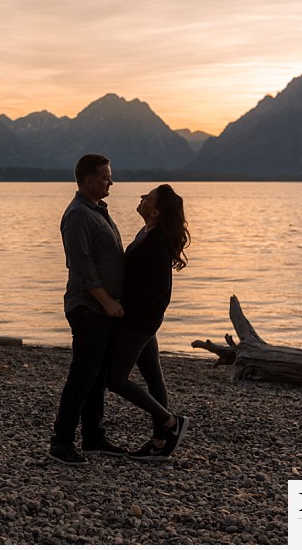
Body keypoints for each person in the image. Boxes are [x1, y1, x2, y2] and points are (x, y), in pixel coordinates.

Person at [49, 154, 127, 466]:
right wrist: (107, 301)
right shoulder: (79, 214)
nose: (111, 182)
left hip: (100, 309)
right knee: (82, 375)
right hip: (86, 307)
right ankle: (61, 442)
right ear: (89, 180)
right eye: (106, 176)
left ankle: (93, 436)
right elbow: (80, 265)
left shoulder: (97, 211)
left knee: (95, 375)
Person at [107, 184, 191, 462]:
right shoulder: (148, 232)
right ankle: (159, 443)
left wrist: (128, 314)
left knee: (115, 379)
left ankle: (170, 422)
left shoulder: (155, 241)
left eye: (148, 197)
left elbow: (160, 290)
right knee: (154, 377)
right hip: (141, 321)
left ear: (155, 211)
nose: (141, 198)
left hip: (138, 322)